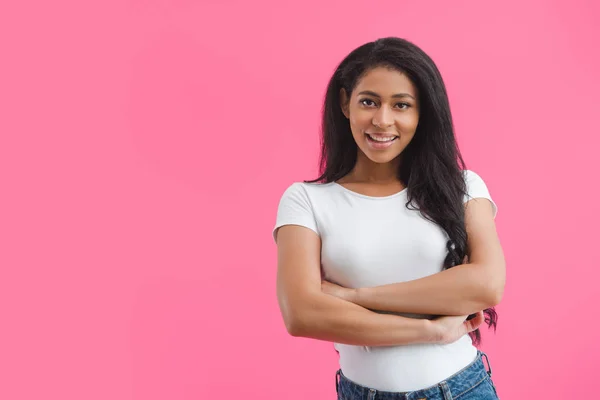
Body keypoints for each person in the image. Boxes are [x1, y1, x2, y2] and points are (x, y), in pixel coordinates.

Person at [272, 37, 505, 400]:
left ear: (421, 113)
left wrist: (353, 295)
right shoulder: (306, 201)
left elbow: (486, 285)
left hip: (462, 389)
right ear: (344, 102)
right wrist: (430, 331)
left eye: (402, 105)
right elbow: (301, 314)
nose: (383, 120)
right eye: (369, 101)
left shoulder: (463, 187)